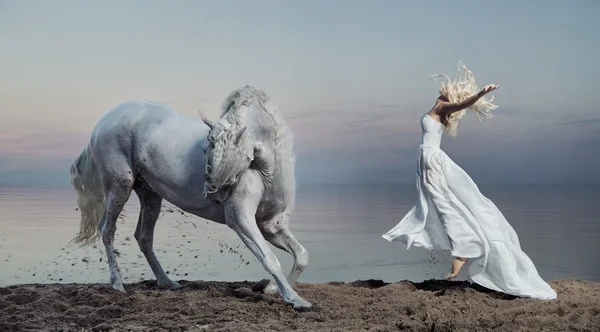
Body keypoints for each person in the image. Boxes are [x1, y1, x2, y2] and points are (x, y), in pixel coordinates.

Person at [382, 61, 557, 300]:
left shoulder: (443, 107)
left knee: (444, 205)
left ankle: (462, 251)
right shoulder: (439, 108)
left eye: (446, 89)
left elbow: (462, 104)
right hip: (426, 162)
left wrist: (480, 94)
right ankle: (461, 248)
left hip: (432, 161)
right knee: (434, 205)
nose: (442, 89)